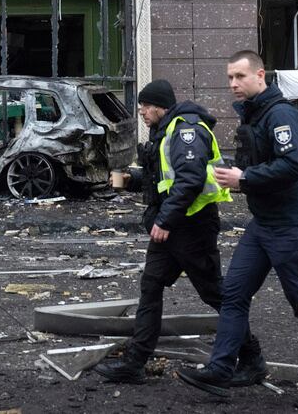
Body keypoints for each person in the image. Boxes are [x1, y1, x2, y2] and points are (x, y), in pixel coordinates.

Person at [177, 51, 298, 410]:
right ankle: (223, 368)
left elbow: (293, 165)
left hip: (291, 227)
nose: (233, 85)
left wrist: (245, 178)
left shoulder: (281, 114)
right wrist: (234, 174)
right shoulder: (256, 116)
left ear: (260, 75)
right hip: (263, 225)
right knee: (233, 295)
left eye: (239, 76)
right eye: (229, 78)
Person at [94, 79, 264, 386]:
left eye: (145, 106)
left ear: (160, 106)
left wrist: (165, 221)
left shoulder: (187, 130)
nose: (142, 112)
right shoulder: (165, 131)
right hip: (172, 226)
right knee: (151, 285)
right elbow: (162, 178)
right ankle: (135, 362)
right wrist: (125, 180)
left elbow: (190, 180)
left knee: (214, 293)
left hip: (191, 226)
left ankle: (251, 359)